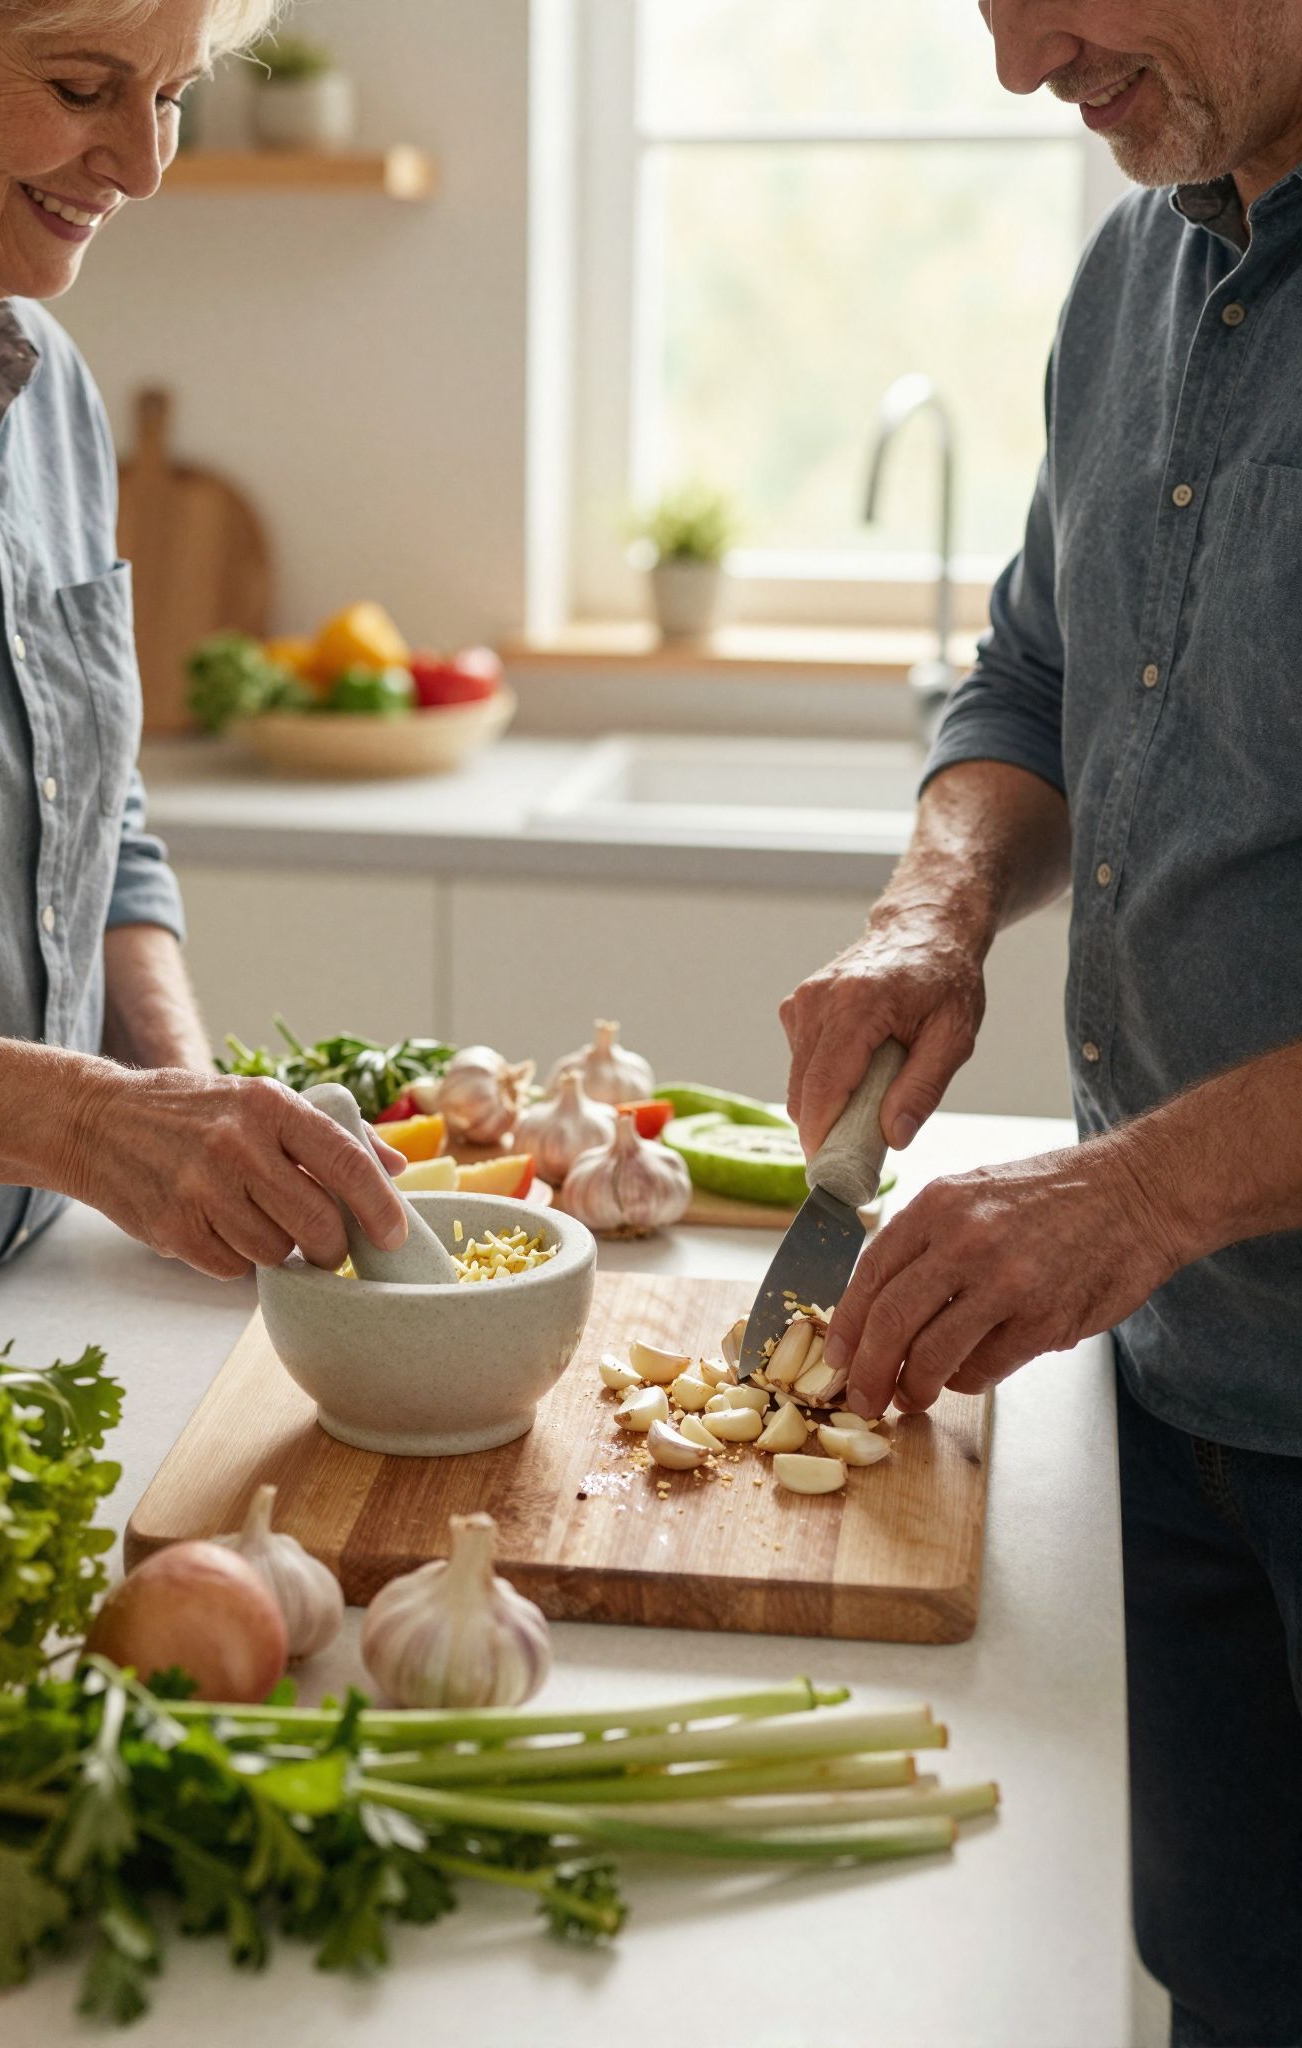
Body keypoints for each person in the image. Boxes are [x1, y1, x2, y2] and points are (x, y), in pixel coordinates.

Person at [783, 5, 1302, 2041]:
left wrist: (1134, 1189)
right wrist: (938, 904)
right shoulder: (1138, 270)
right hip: (1171, 1402)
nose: (1024, 65)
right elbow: (1031, 681)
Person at [0, 0, 409, 1296]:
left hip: (25, 1292)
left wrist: (184, 1093)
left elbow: (92, 816)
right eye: (80, 89)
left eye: (169, 98)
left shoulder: (39, 380)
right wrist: (89, 1124)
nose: (146, 163)